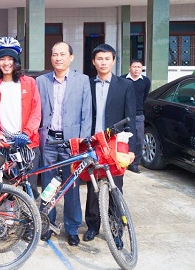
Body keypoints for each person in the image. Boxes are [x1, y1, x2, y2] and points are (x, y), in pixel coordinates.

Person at [36, 41, 92, 246]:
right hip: (49, 140)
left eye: (62, 54)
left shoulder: (82, 80)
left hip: (72, 144)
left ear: (71, 57)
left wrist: (82, 143)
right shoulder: (41, 81)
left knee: (72, 186)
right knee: (49, 186)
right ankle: (47, 223)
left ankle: (71, 227)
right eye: (54, 54)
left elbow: (87, 115)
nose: (58, 58)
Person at [83, 44, 137, 243]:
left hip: (115, 145)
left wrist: (131, 150)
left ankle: (116, 230)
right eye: (99, 59)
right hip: (93, 144)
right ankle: (92, 226)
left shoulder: (125, 86)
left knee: (116, 188)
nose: (103, 62)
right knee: (92, 187)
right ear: (93, 62)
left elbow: (131, 118)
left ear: (113, 61)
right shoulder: (87, 84)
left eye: (107, 58)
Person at [0, 37, 41, 199]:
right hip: (3, 144)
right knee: (6, 189)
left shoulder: (29, 83)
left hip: (27, 142)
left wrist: (27, 133)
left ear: (16, 62)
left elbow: (36, 111)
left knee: (28, 187)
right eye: (2, 59)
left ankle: (31, 222)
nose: (6, 63)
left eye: (10, 59)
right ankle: (7, 222)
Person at [121, 59, 151, 174]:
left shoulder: (145, 81)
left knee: (139, 139)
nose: (136, 69)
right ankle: (121, 160)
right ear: (129, 68)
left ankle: (134, 164)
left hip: (138, 114)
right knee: (122, 138)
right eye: (134, 67)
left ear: (141, 69)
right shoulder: (123, 79)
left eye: (139, 67)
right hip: (123, 114)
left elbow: (144, 97)